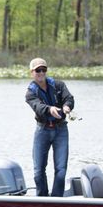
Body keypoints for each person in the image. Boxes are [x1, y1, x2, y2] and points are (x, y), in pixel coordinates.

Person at [25, 58, 75, 197]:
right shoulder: (30, 93)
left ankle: (56, 199)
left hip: (61, 130)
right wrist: (50, 109)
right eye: (38, 70)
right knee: (38, 171)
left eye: (43, 70)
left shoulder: (59, 85)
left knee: (61, 170)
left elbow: (69, 98)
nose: (41, 73)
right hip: (43, 130)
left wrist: (66, 106)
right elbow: (38, 106)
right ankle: (42, 199)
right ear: (32, 73)